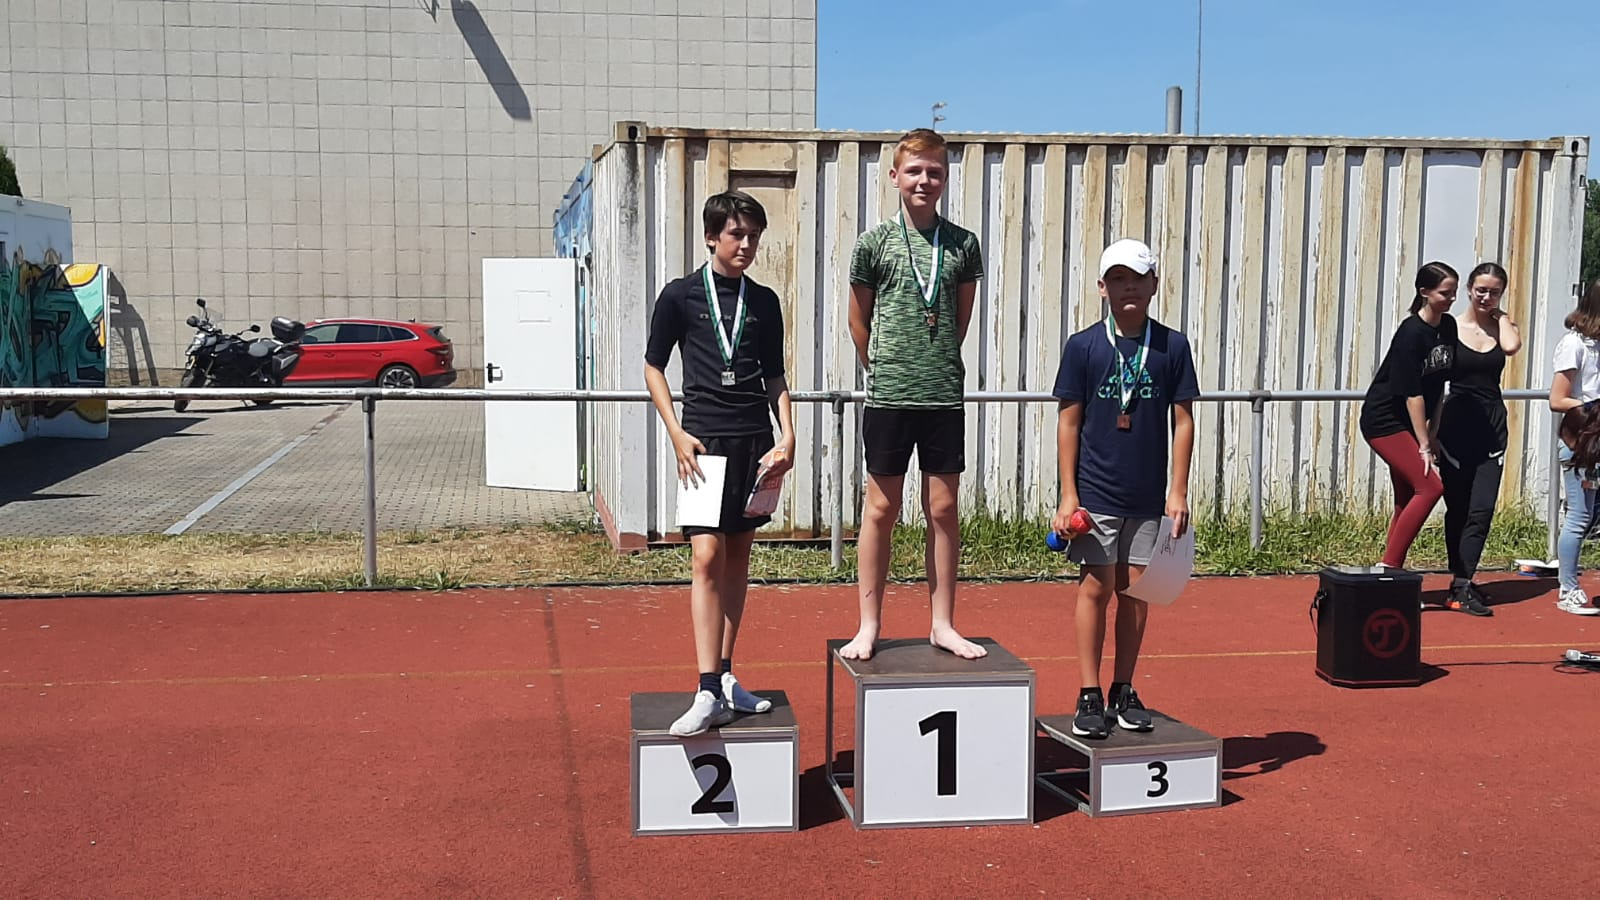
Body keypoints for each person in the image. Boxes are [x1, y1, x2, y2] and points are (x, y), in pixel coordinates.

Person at [643, 190, 798, 735]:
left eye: (754, 236)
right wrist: (675, 432)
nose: (747, 245)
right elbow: (654, 366)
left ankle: (727, 675)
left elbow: (775, 376)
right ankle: (706, 687)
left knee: (738, 560)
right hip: (703, 445)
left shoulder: (765, 301)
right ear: (711, 237)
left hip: (754, 442)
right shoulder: (680, 296)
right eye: (737, 235)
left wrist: (788, 435)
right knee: (706, 557)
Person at [839, 128, 987, 662]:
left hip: (942, 395)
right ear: (895, 176)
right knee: (881, 508)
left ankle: (942, 623)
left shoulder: (963, 244)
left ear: (945, 178)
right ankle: (869, 624)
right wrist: (884, 368)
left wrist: (933, 362)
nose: (925, 180)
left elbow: (959, 321)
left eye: (935, 172)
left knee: (943, 508)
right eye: (915, 171)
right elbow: (858, 321)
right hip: (889, 397)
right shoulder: (873, 243)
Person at [1051, 238, 1198, 738]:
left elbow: (1183, 421)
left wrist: (1177, 491)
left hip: (1148, 496)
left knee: (1136, 592)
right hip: (1095, 493)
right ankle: (1089, 692)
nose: (1127, 287)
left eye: (1137, 278)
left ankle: (1124, 688)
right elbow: (1069, 422)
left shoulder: (1172, 346)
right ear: (1101, 288)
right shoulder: (1083, 346)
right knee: (1095, 586)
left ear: (1154, 284)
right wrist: (1068, 494)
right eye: (1117, 279)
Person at [1359, 262, 1459, 570]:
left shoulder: (1448, 326)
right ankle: (1389, 567)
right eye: (1445, 293)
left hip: (1413, 423)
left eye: (1454, 292)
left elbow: (1440, 386)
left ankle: (1390, 573)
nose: (1452, 299)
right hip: (1384, 420)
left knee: (1406, 496)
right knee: (1431, 487)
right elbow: (1412, 394)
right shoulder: (1411, 333)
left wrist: (1434, 434)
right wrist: (1423, 446)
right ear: (1424, 292)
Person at [1435, 263, 1520, 616]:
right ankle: (1459, 582)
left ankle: (1463, 582)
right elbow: (1434, 383)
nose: (1486, 296)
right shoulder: (1450, 328)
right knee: (1458, 509)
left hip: (1491, 428)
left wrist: (1501, 317)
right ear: (1469, 289)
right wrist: (1431, 435)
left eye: (1494, 292)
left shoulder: (1503, 327)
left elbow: (1512, 347)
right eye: (1481, 290)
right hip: (1456, 426)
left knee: (1482, 510)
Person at [1548, 279, 1600, 616]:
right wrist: (1592, 407)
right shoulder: (1574, 344)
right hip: (1582, 442)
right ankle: (1568, 588)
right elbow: (1558, 398)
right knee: (1579, 517)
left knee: (1590, 517)